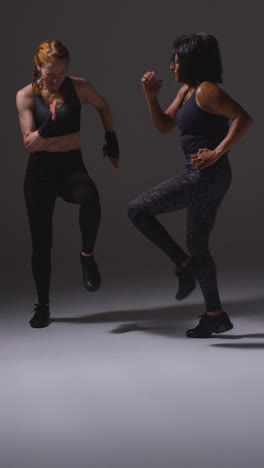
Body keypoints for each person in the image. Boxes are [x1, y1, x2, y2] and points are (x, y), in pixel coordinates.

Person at [128, 33, 252, 338]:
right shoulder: (187, 91)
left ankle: (183, 265)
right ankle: (216, 315)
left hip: (206, 176)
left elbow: (243, 118)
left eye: (177, 59)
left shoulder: (207, 91)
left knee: (137, 210)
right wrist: (150, 95)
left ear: (194, 61)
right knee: (198, 245)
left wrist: (217, 151)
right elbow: (165, 125)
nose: (172, 65)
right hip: (207, 176)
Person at [16, 39, 119, 328]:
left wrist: (111, 139)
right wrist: (47, 125)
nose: (56, 79)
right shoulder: (25, 96)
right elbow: (30, 145)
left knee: (91, 197)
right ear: (38, 67)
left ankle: (87, 257)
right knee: (41, 243)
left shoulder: (79, 87)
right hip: (41, 172)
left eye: (61, 72)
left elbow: (103, 106)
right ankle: (43, 306)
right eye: (50, 73)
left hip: (71, 166)